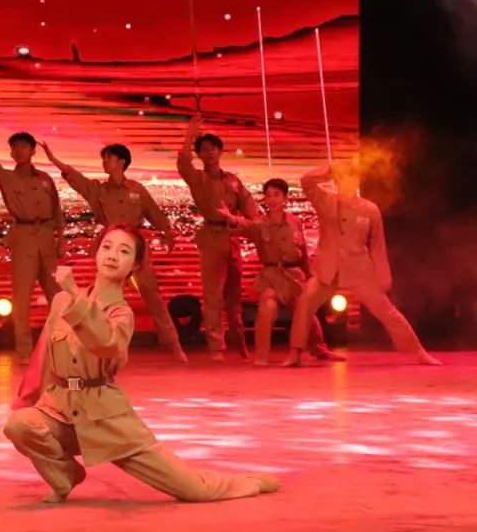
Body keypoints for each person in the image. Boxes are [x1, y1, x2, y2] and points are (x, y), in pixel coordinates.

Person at [4, 223, 280, 504]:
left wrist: (77, 297)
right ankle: (66, 476)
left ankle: (249, 482)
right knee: (19, 425)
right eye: (107, 247)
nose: (112, 255)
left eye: (124, 251)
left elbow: (107, 344)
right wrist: (31, 400)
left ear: (135, 265)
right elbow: (44, 356)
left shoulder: (121, 314)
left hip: (105, 417)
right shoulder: (62, 300)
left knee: (193, 490)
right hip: (60, 411)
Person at [283, 160, 441, 367]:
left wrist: (383, 275)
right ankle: (295, 353)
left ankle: (418, 351)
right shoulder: (325, 201)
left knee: (386, 310)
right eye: (342, 179)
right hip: (327, 269)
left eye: (351, 178)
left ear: (356, 181)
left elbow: (377, 245)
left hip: (358, 269)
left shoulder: (369, 209)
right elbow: (307, 181)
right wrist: (329, 170)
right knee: (305, 302)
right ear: (336, 182)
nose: (346, 183)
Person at [43, 140, 188, 362]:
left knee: (152, 296)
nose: (104, 162)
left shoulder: (137, 189)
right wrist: (53, 159)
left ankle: (173, 344)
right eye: (103, 158)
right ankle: (96, 346)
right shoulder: (99, 190)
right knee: (101, 298)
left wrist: (168, 234)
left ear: (121, 161)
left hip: (134, 248)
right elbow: (76, 179)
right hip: (110, 246)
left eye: (108, 158)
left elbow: (154, 213)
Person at [0, 116, 64, 364]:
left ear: (32, 151)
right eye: (15, 147)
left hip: (46, 239)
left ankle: (61, 345)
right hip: (23, 239)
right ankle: (24, 350)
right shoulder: (7, 178)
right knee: (21, 299)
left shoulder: (45, 179)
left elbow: (56, 210)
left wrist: (61, 238)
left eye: (23, 147)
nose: (18, 151)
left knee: (59, 297)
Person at [218, 178, 345, 366]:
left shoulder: (295, 222)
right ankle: (261, 355)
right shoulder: (260, 224)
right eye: (268, 195)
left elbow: (302, 250)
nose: (272, 199)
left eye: (276, 195)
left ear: (285, 198)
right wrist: (231, 218)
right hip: (271, 275)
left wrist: (308, 273)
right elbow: (246, 226)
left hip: (294, 275)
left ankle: (319, 348)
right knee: (267, 307)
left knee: (305, 309)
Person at [176, 116, 257, 360]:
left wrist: (255, 224)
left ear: (220, 151)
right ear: (200, 155)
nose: (210, 153)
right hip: (211, 237)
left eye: (213, 148)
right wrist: (189, 136)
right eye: (204, 150)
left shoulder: (232, 180)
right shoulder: (198, 178)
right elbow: (183, 163)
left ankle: (239, 341)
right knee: (213, 295)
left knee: (234, 296)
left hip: (232, 237)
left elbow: (249, 205)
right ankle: (216, 346)